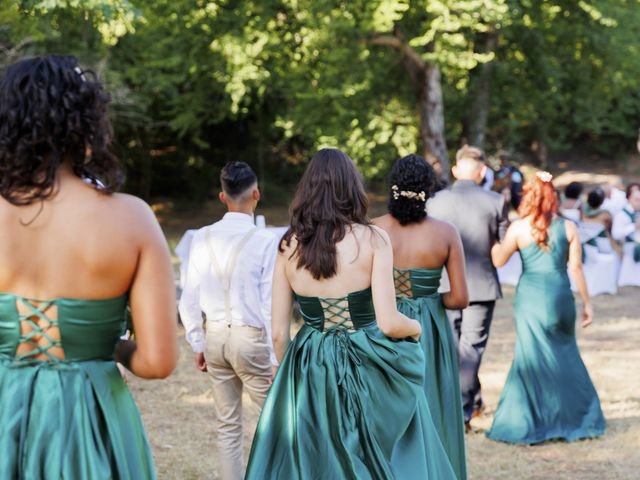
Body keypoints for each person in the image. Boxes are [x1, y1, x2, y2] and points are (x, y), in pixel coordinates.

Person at [0, 55, 177, 478]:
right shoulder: (132, 218)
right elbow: (157, 362)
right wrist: (101, 341)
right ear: (86, 125)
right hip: (92, 421)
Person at [246, 148, 456, 479]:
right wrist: (414, 326)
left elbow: (277, 333)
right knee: (369, 453)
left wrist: (293, 376)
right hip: (365, 359)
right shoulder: (373, 239)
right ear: (351, 187)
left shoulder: (288, 245)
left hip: (309, 361)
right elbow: (389, 321)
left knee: (315, 457)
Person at [486, 171, 605, 444]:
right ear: (555, 198)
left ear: (528, 196)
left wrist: (493, 241)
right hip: (561, 297)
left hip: (530, 300)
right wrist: (587, 303)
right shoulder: (568, 227)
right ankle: (577, 417)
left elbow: (499, 261)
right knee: (566, 355)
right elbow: (576, 267)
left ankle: (530, 422)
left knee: (531, 357)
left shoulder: (518, 228)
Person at [178, 161, 278, 480]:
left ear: (222, 196)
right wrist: (276, 356)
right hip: (252, 341)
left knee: (228, 429)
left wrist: (197, 342)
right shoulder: (265, 241)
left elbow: (189, 297)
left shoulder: (202, 237)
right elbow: (268, 303)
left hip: (215, 339)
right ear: (256, 194)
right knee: (276, 424)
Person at [372, 154, 469, 480]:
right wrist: (426, 296)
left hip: (381, 326)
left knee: (385, 402)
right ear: (429, 190)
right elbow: (460, 298)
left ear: (392, 188)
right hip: (428, 326)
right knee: (432, 399)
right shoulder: (446, 233)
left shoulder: (372, 230)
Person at [427, 145, 509, 430]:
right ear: (482, 171)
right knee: (470, 349)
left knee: (452, 347)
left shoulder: (435, 202)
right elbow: (499, 249)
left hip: (444, 284)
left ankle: (468, 402)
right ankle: (462, 410)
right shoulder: (496, 201)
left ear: (455, 169)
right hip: (480, 284)